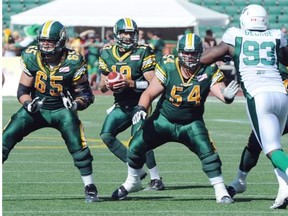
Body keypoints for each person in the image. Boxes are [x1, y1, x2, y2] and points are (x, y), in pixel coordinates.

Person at [111, 33, 239, 204]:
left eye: (193, 53)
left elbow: (221, 94)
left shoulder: (208, 69)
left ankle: (220, 190)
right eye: (186, 52)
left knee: (208, 153)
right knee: (135, 145)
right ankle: (132, 181)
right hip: (164, 120)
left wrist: (228, 96)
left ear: (200, 53)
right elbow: (149, 92)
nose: (189, 56)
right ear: (179, 52)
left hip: (191, 123)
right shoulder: (169, 65)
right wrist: (141, 108)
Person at [200, 4, 288, 209]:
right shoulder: (276, 34)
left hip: (258, 96)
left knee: (271, 148)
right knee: (273, 145)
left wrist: (231, 55)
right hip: (281, 94)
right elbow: (284, 57)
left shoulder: (235, 35)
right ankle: (283, 191)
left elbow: (206, 58)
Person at [2, 20, 99, 203]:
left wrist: (75, 105)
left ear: (61, 41)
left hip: (62, 110)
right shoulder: (31, 56)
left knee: (78, 147)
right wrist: (29, 104)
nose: (45, 44)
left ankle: (90, 186)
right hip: (36, 109)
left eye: (50, 40)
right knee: (4, 139)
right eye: (43, 40)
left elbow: (85, 93)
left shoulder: (73, 59)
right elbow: (22, 91)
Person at [98, 17, 165, 190]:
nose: (127, 37)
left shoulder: (144, 51)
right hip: (121, 104)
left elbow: (153, 83)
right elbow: (101, 85)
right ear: (116, 34)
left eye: (130, 33)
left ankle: (156, 178)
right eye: (123, 33)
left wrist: (131, 83)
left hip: (139, 103)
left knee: (140, 139)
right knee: (106, 135)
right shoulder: (106, 53)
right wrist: (106, 84)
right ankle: (136, 168)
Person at [226, 65, 288, 209]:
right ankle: (240, 181)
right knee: (258, 142)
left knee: (269, 144)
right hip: (280, 106)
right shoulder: (274, 59)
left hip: (280, 107)